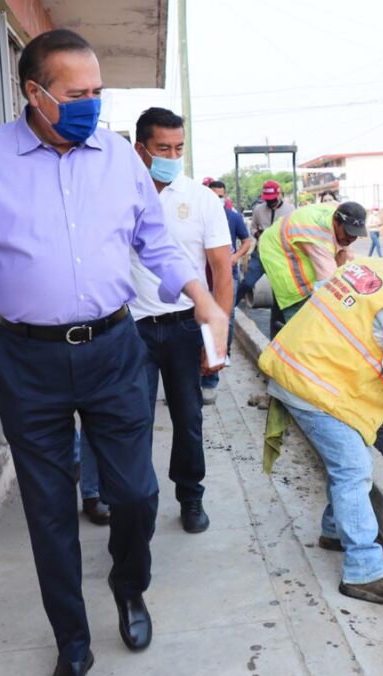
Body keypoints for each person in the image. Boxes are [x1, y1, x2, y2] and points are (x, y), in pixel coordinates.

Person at [0, 30, 228, 676]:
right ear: (33, 94)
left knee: (135, 494)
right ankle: (72, 644)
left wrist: (200, 295)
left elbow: (153, 239)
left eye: (99, 92)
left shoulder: (120, 158)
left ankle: (130, 587)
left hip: (113, 350)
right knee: (49, 513)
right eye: (77, 94)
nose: (93, 104)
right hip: (26, 359)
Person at [258, 226, 383, 604]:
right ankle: (364, 571)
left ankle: (335, 530)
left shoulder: (369, 267)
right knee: (354, 470)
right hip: (315, 387)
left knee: (347, 461)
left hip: (293, 366)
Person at [129, 107, 232, 534]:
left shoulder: (202, 200)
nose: (172, 155)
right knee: (130, 422)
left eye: (179, 148)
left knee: (188, 418)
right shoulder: (120, 196)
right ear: (141, 150)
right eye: (163, 148)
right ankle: (134, 504)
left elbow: (222, 272)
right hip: (131, 328)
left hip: (184, 327)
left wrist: (215, 341)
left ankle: (191, 497)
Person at [259, 200, 367, 328]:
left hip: (295, 242)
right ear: (336, 222)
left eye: (355, 235)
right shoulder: (316, 235)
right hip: (277, 252)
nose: (351, 239)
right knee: (301, 315)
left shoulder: (338, 211)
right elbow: (328, 282)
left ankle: (279, 333)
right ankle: (292, 332)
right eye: (348, 233)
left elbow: (343, 258)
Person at [202, 178, 254, 402]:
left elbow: (246, 241)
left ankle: (220, 359)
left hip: (226, 277)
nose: (218, 199)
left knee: (225, 319)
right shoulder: (199, 216)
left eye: (221, 195)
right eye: (214, 195)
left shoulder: (232, 217)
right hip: (200, 280)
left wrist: (233, 259)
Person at [235, 180, 295, 304]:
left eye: (272, 200)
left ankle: (277, 321)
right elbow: (252, 228)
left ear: (279, 195)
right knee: (247, 283)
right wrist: (258, 233)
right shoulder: (258, 209)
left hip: (280, 255)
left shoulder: (290, 210)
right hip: (261, 253)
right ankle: (230, 308)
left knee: (280, 290)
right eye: (267, 200)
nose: (270, 203)